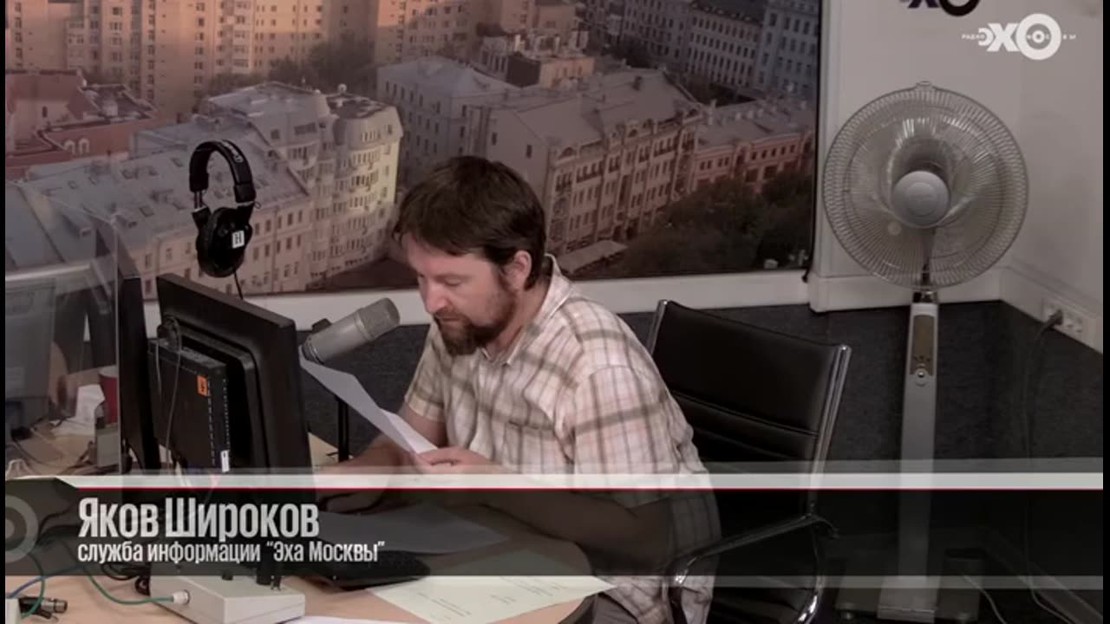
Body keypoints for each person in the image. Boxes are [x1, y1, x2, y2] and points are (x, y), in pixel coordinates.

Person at [338, 156, 718, 624]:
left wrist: (497, 488)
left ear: (518, 269)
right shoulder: (460, 323)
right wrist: (367, 470)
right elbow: (411, 437)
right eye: (421, 278)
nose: (432, 301)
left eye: (451, 281)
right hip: (501, 552)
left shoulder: (598, 366)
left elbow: (644, 540)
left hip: (616, 591)